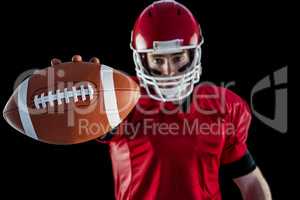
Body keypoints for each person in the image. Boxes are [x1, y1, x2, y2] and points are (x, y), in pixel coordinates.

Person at [52, 1, 272, 199]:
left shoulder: (223, 107)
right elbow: (81, 117)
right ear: (143, 60)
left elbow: (251, 182)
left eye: (177, 58)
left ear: (193, 54)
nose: (169, 71)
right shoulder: (119, 99)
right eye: (158, 60)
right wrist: (75, 94)